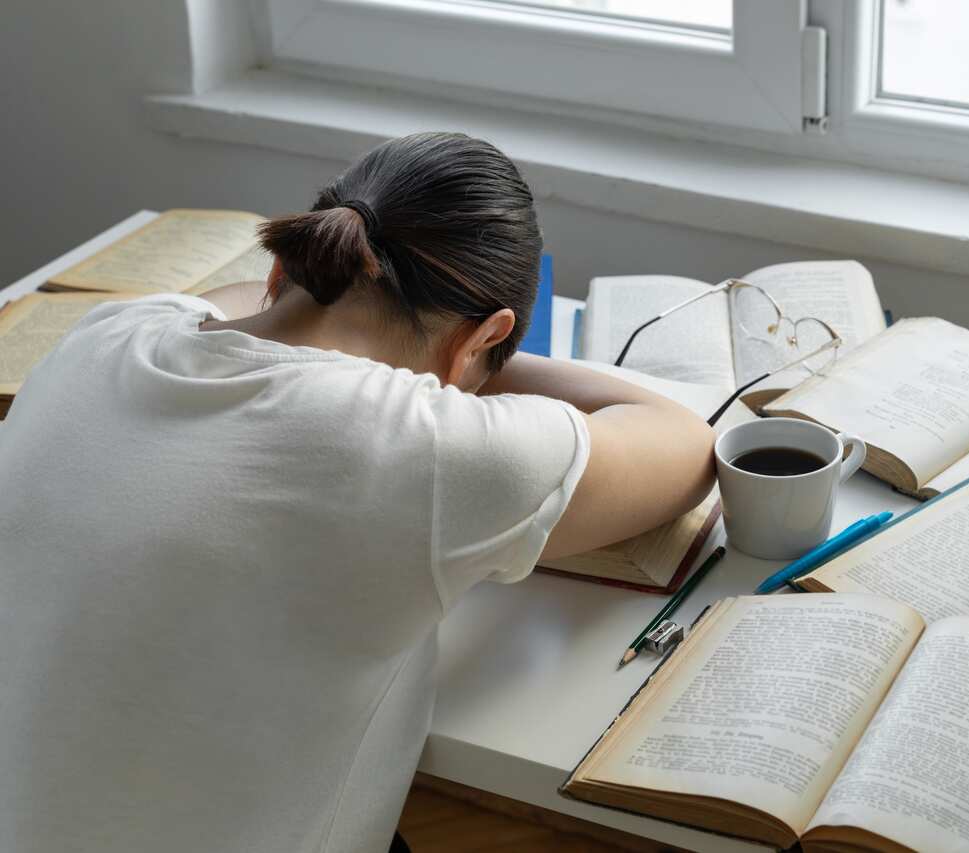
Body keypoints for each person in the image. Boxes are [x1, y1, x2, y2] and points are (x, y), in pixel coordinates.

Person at [0, 132, 715, 852]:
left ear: (292, 257)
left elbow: (230, 306)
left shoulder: (107, 332)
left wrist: (449, 340)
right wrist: (473, 361)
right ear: (486, 338)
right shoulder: (421, 443)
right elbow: (681, 441)